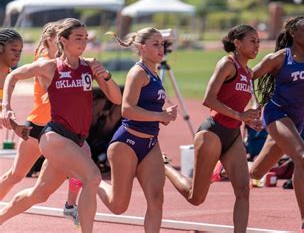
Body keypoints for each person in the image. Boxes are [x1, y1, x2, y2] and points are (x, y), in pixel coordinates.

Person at [0, 18, 122, 233]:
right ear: (63, 41)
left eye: (85, 38)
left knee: (40, 194)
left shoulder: (90, 65)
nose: (83, 42)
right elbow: (14, 77)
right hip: (54, 135)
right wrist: (6, 106)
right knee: (92, 177)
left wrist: (107, 76)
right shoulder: (49, 66)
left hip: (75, 139)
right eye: (78, 38)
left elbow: (117, 99)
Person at [164, 25, 261, 233]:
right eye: (252, 41)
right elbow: (208, 99)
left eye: (258, 41)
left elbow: (250, 102)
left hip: (233, 136)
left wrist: (253, 116)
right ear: (237, 43)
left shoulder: (249, 72)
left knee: (244, 191)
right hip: (213, 132)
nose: (257, 45)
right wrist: (240, 116)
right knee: (196, 198)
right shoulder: (227, 64)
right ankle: (166, 166)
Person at [0, 22, 83, 226]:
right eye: (59, 39)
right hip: (39, 128)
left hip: (58, 131)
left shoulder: (68, 63)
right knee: (16, 175)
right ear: (50, 40)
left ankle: (71, 205)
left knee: (82, 166)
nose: (18, 54)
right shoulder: (45, 62)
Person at [249, 16, 304, 232]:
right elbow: (248, 78)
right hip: (275, 113)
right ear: (293, 33)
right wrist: (254, 107)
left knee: (256, 173)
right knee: (302, 157)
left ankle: (223, 170)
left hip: (295, 121)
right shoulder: (279, 58)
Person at [97, 28, 178, 232]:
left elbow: (149, 107)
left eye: (162, 44)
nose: (161, 48)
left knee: (156, 199)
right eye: (155, 44)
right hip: (127, 143)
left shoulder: (155, 73)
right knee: (118, 206)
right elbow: (127, 109)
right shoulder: (138, 72)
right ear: (142, 48)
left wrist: (165, 114)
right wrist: (160, 116)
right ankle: (91, 180)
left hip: (150, 143)